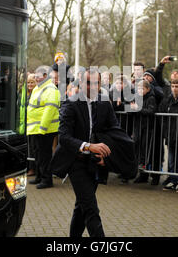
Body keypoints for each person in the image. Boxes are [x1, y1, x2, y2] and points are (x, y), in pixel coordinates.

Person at [52, 68, 118, 237]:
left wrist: (104, 155)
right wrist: (89, 146)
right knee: (91, 208)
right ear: (80, 83)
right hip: (75, 161)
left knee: (81, 206)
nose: (93, 87)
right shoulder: (70, 103)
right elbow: (64, 137)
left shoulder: (105, 103)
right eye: (88, 83)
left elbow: (114, 131)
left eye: (96, 83)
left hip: (95, 162)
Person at [27, 66, 60, 189]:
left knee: (44, 155)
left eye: (38, 75)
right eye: (35, 75)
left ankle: (47, 180)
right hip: (36, 129)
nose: (35, 77)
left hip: (45, 129)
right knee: (37, 153)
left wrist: (42, 128)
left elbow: (49, 109)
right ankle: (40, 176)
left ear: (45, 76)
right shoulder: (38, 88)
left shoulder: (51, 89)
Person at [130, 80, 157, 185]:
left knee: (145, 148)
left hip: (147, 128)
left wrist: (138, 109)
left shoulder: (151, 98)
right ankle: (139, 172)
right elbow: (130, 107)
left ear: (148, 89)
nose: (140, 91)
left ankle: (144, 167)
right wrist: (132, 108)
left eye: (142, 89)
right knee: (136, 145)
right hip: (137, 127)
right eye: (139, 88)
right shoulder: (136, 97)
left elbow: (151, 111)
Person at [26, 73, 37, 177]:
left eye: (32, 82)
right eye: (28, 82)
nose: (30, 84)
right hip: (26, 124)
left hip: (34, 125)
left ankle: (33, 169)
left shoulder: (37, 93)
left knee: (33, 148)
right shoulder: (25, 93)